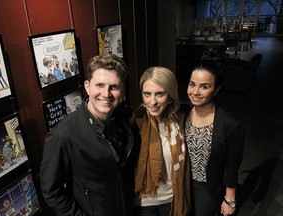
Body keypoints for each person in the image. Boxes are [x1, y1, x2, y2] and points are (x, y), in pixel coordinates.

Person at [40, 53, 134, 216]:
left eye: (114, 87)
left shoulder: (122, 118)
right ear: (87, 86)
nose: (106, 94)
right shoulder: (62, 135)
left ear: (122, 89)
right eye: (99, 85)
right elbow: (51, 192)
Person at [184, 59, 244, 216]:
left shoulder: (229, 124)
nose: (195, 92)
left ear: (216, 89)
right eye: (192, 84)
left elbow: (232, 164)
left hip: (208, 189)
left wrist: (230, 199)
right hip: (182, 183)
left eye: (204, 86)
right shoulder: (183, 114)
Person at [131, 66, 191, 216]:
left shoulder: (182, 120)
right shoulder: (134, 122)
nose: (153, 102)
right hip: (144, 201)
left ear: (170, 95)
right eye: (147, 94)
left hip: (173, 199)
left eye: (159, 94)